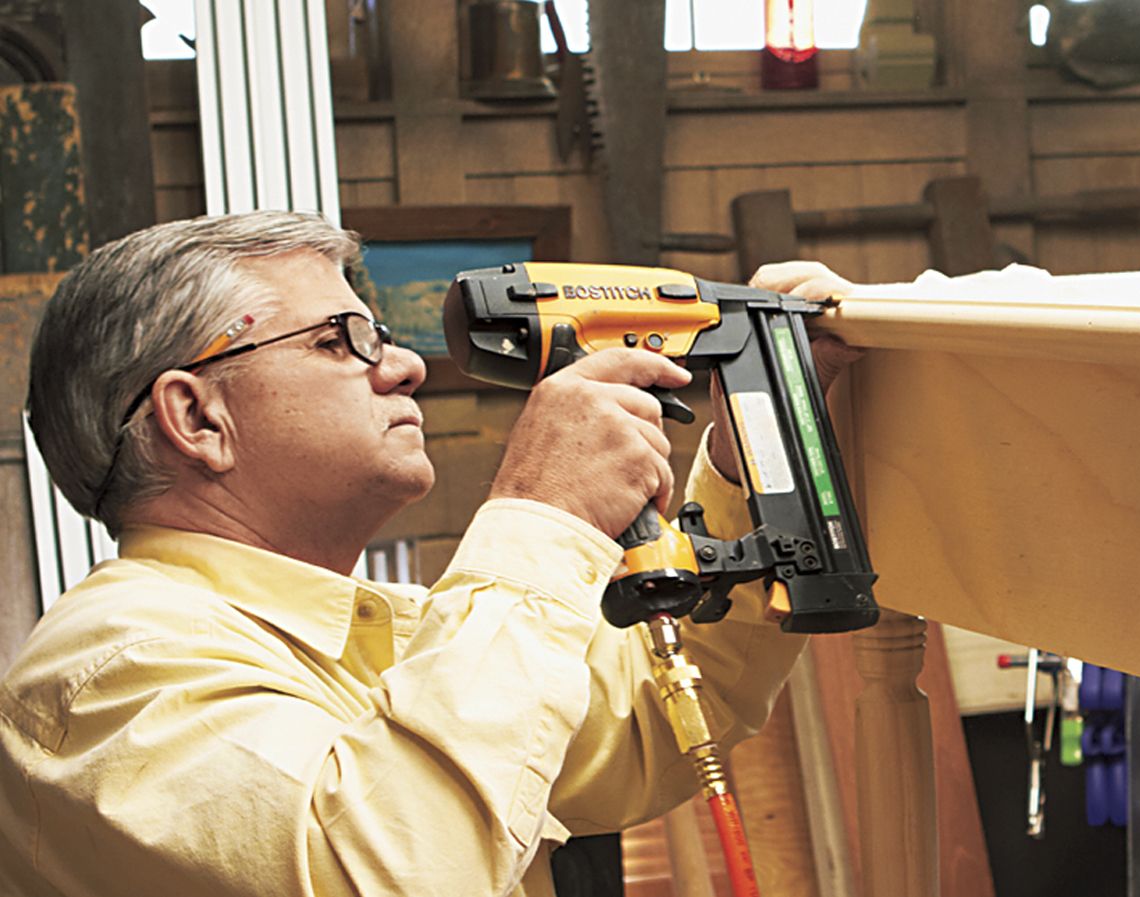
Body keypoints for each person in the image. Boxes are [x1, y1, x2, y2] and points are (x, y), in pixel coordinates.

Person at [0, 210, 857, 897]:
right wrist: (539, 511)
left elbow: (640, 726)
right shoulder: (108, 673)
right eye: (341, 339)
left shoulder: (386, 632)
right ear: (196, 419)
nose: (405, 364)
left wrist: (760, 445)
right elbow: (393, 872)